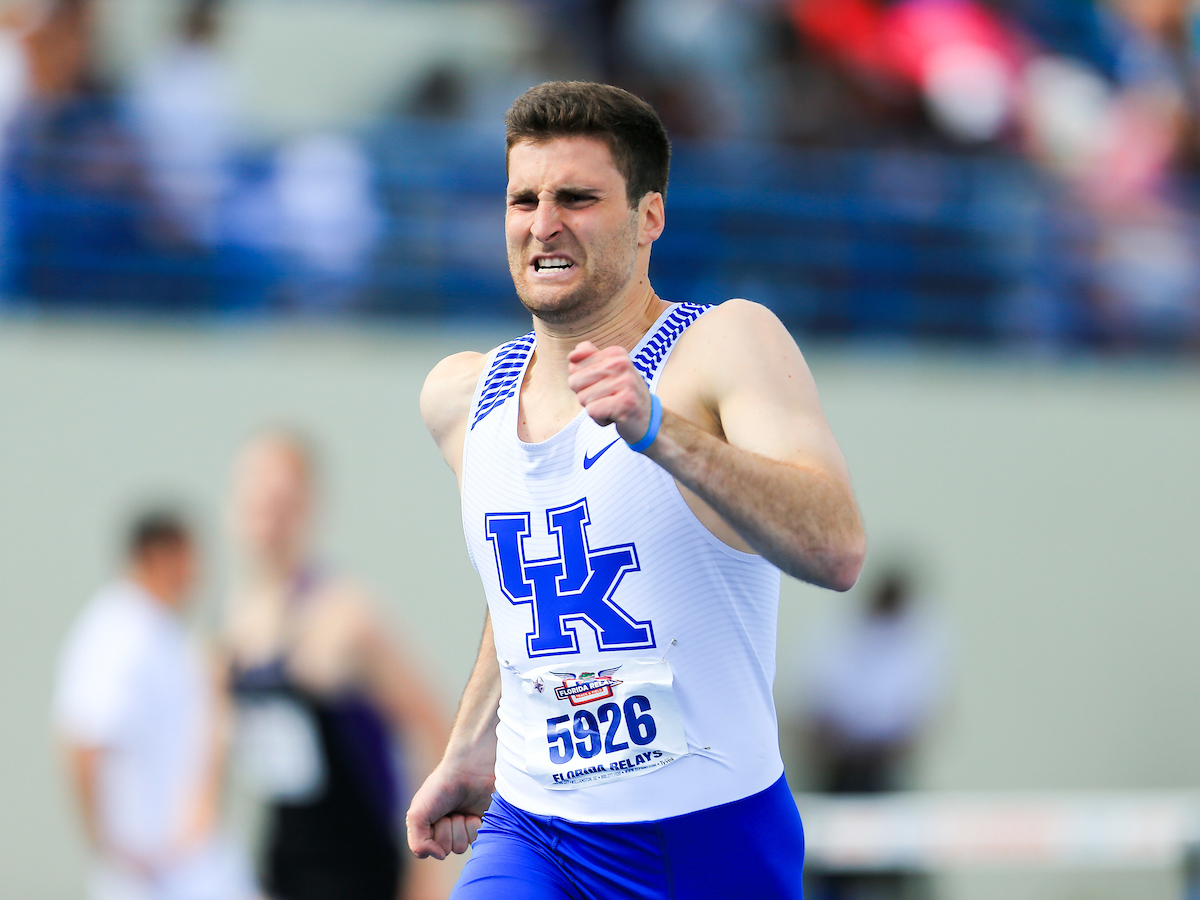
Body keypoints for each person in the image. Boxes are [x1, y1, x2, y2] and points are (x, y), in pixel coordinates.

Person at [406, 81, 866, 899]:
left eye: (577, 198)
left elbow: (836, 548)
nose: (543, 224)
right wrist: (473, 741)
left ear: (649, 216)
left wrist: (660, 430)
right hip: (535, 831)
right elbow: (533, 585)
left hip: (708, 841)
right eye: (523, 200)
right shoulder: (460, 398)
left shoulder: (722, 346)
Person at [223, 431, 449, 900]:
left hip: (358, 869)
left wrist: (426, 868)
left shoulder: (345, 616)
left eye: (279, 502)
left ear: (306, 507)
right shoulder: (234, 618)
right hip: (281, 864)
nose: (266, 517)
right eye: (255, 500)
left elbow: (433, 727)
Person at [53, 510, 253, 900]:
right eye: (189, 557)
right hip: (153, 875)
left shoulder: (160, 630)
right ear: (157, 555)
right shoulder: (117, 633)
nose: (199, 572)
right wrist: (108, 846)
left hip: (191, 864)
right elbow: (83, 740)